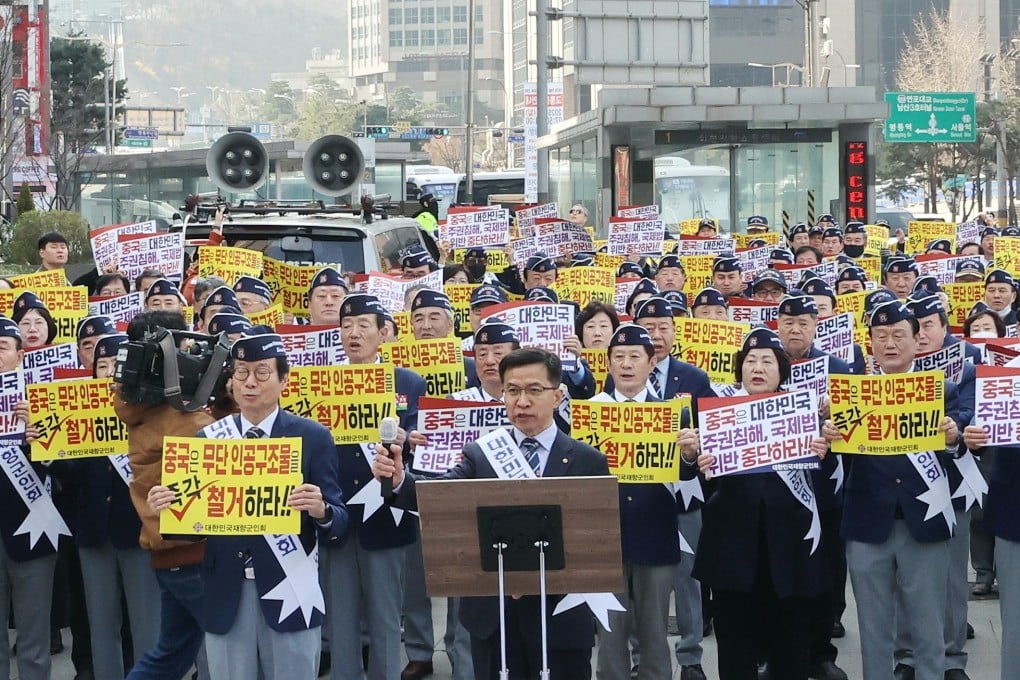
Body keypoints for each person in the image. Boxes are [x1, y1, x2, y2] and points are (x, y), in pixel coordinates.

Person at [374, 348, 609, 680]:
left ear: (557, 396)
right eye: (512, 391)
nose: (521, 401)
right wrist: (399, 480)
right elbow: (441, 497)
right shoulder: (481, 454)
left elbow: (598, 542)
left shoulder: (588, 460)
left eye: (533, 390)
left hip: (560, 616)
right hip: (495, 617)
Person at [146, 331, 347, 679]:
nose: (249, 382)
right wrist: (169, 507)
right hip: (226, 591)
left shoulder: (312, 437)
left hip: (290, 588)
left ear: (284, 379)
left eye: (261, 373)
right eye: (241, 373)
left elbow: (339, 523)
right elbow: (193, 529)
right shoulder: (208, 440)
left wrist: (321, 510)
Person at [682, 327, 838, 680]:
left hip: (791, 552)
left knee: (791, 649)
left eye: (767, 361)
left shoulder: (803, 414)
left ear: (781, 370)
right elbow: (698, 481)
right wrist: (693, 458)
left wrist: (825, 451)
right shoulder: (719, 415)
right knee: (735, 651)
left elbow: (826, 485)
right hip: (731, 553)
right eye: (750, 360)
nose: (758, 367)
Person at [844, 299, 961, 680]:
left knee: (929, 626)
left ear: (917, 340)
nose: (889, 343)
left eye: (898, 335)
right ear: (871, 344)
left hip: (923, 523)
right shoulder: (851, 393)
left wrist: (951, 438)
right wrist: (827, 433)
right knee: (873, 627)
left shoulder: (941, 389)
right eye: (881, 337)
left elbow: (961, 446)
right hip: (867, 524)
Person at [324, 294, 426, 680]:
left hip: (386, 510)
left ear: (384, 333)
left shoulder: (408, 382)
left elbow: (424, 441)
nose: (354, 333)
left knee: (385, 616)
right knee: (341, 615)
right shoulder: (324, 382)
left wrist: (407, 438)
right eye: (346, 326)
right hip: (335, 511)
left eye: (363, 325)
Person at [593, 324, 701, 680]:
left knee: (655, 631)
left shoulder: (672, 414)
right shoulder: (590, 413)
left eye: (634, 357)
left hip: (656, 535)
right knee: (609, 634)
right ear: (607, 364)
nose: (626, 364)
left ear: (651, 362)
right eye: (618, 357)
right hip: (605, 537)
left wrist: (687, 456)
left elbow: (686, 481)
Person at [115, 310, 215, 680]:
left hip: (173, 556)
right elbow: (229, 444)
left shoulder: (151, 409)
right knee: (230, 645)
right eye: (184, 348)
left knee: (170, 655)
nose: (192, 357)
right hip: (191, 553)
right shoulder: (181, 419)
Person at [67, 334, 160, 680]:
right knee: (101, 623)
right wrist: (43, 442)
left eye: (116, 367)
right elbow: (68, 473)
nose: (108, 374)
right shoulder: (77, 417)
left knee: (146, 623)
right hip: (93, 533)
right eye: (101, 367)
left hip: (138, 531)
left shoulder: (150, 415)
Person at [775, 294, 854, 680]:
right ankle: (771, 651)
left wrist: (834, 412)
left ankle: (822, 650)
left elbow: (860, 425)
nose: (795, 328)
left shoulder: (837, 368)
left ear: (815, 326)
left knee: (824, 568)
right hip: (774, 488)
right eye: (788, 322)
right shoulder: (764, 364)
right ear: (777, 324)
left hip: (824, 485)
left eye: (803, 322)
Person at [0, 315, 65, 680]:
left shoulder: (42, 400)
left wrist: (36, 438)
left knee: (33, 635)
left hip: (34, 527)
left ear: (20, 354)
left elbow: (65, 464)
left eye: (2, 347)